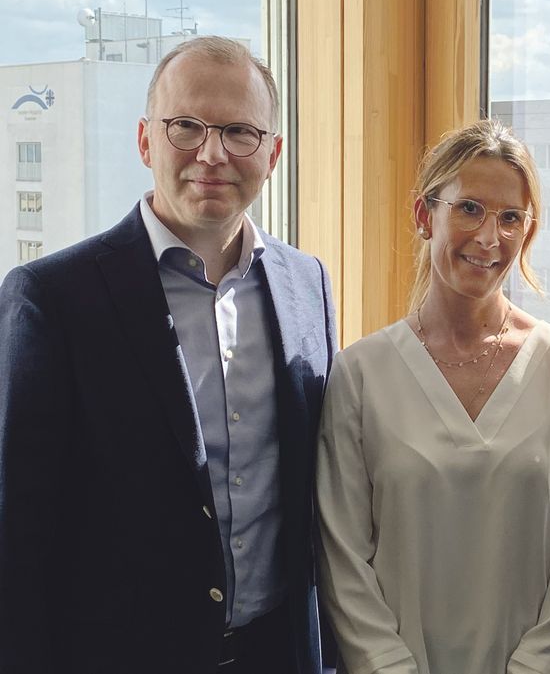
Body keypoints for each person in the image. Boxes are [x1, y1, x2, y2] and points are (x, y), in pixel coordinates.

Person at [0, 36, 337, 674]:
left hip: (280, 653)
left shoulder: (308, 284)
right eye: (186, 126)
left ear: (273, 154)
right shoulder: (52, 298)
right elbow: (19, 536)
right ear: (145, 140)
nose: (212, 154)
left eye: (240, 131)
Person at [315, 119, 550, 674]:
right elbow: (343, 560)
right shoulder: (360, 374)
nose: (489, 237)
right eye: (470, 209)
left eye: (510, 218)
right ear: (425, 215)